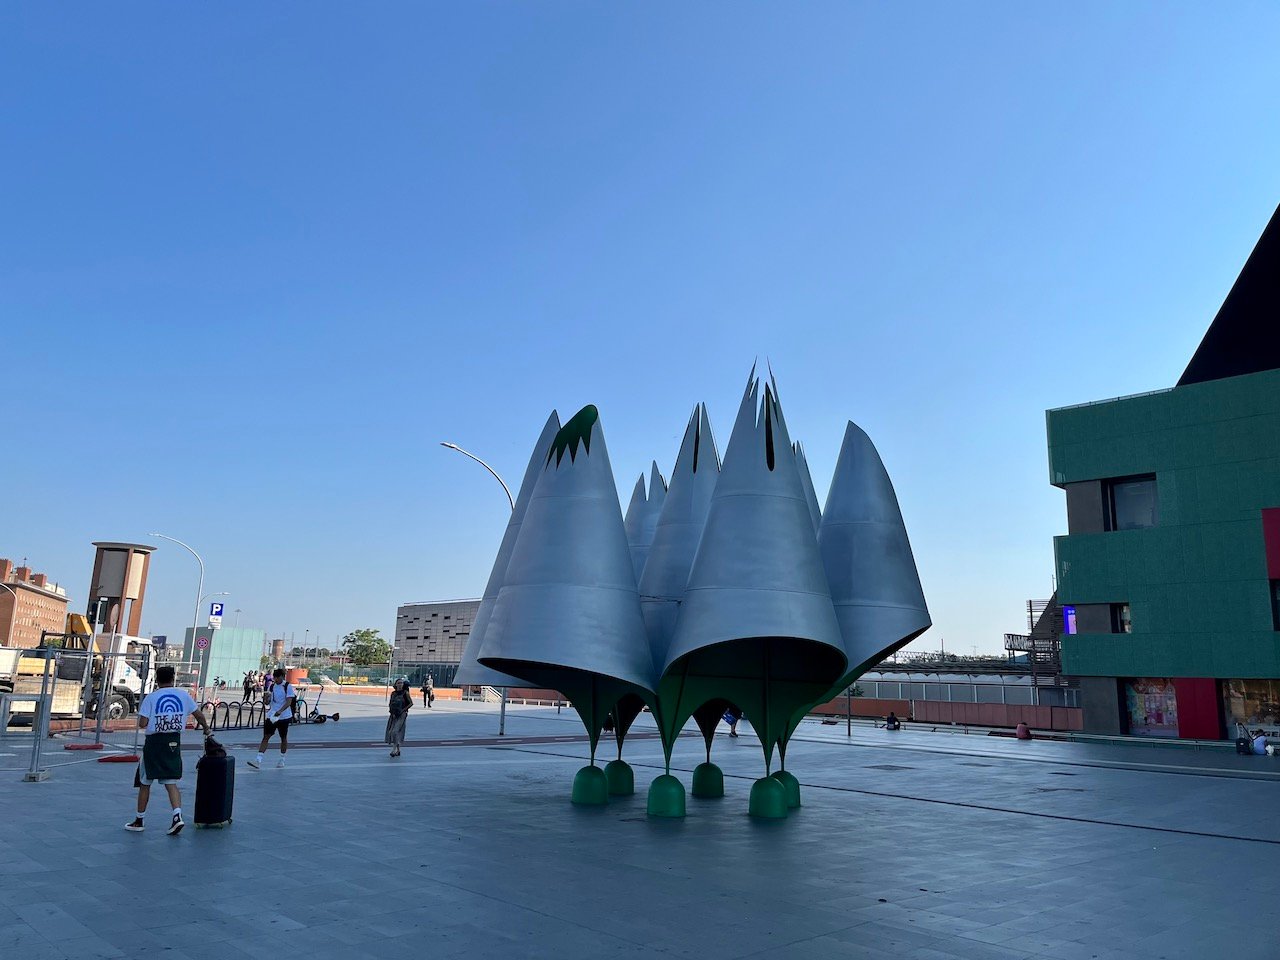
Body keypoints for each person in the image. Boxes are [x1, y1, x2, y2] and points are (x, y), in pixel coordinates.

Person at [125, 665, 212, 835]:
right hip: (173, 742)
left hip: (154, 743)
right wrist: (206, 729)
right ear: (173, 678)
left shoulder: (152, 697)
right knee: (171, 782)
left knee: (145, 782)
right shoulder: (183, 695)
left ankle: (139, 820)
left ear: (156, 680)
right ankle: (177, 816)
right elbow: (199, 715)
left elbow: (142, 723)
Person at [249, 668, 296, 769]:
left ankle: (282, 759)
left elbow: (289, 701)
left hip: (284, 716)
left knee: (283, 738)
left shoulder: (287, 686)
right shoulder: (272, 686)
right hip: (272, 715)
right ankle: (258, 760)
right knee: (266, 736)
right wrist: (266, 699)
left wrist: (280, 711)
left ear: (282, 677)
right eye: (274, 677)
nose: (275, 679)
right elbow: (268, 702)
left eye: (277, 677)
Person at [386, 678, 412, 758]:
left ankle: (394, 750)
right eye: (398, 683)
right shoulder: (393, 693)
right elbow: (390, 703)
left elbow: (410, 703)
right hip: (393, 714)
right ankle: (398, 750)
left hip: (402, 714)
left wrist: (403, 710)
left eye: (401, 683)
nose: (400, 684)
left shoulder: (405, 693)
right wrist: (391, 711)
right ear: (396, 684)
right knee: (391, 732)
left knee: (395, 731)